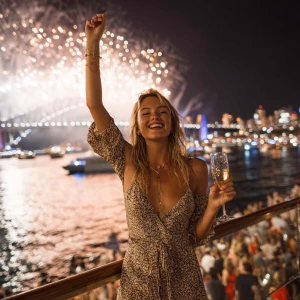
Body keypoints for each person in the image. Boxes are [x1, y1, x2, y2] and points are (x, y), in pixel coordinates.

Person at [85, 13, 236, 300]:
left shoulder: (196, 169)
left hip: (185, 284)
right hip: (137, 286)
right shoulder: (125, 159)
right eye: (146, 113)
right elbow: (94, 104)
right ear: (138, 126)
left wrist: (214, 205)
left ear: (172, 122)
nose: (154, 116)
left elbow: (197, 236)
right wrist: (93, 42)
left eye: (162, 112)